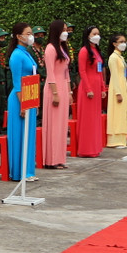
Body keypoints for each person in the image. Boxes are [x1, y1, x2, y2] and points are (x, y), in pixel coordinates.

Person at [7, 23, 39, 181]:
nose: (31, 36)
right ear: (19, 36)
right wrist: (22, 105)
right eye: (28, 33)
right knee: (20, 135)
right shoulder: (16, 55)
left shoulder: (26, 53)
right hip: (20, 99)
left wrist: (34, 102)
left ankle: (28, 170)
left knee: (29, 134)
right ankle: (19, 172)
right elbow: (17, 83)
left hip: (30, 95)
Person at [42, 20, 72, 169]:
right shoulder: (50, 48)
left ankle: (60, 158)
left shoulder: (62, 48)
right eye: (63, 30)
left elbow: (66, 72)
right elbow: (50, 73)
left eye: (66, 30)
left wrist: (69, 91)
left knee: (62, 125)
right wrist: (55, 93)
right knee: (54, 125)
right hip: (53, 88)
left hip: (63, 87)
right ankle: (51, 160)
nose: (66, 32)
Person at [76, 26, 106, 157]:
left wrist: (103, 88)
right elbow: (82, 71)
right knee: (87, 119)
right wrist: (88, 89)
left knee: (95, 119)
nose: (97, 36)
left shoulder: (96, 51)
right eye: (94, 34)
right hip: (88, 88)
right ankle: (86, 149)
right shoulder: (84, 51)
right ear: (88, 35)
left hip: (97, 87)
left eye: (98, 33)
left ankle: (95, 147)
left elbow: (99, 72)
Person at [105, 33, 127, 148]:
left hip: (123, 85)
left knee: (122, 114)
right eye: (121, 42)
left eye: (124, 42)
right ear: (114, 44)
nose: (124, 44)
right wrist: (118, 92)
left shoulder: (120, 57)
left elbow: (123, 75)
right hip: (117, 88)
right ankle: (114, 140)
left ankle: (122, 139)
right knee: (116, 114)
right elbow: (114, 76)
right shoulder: (113, 58)